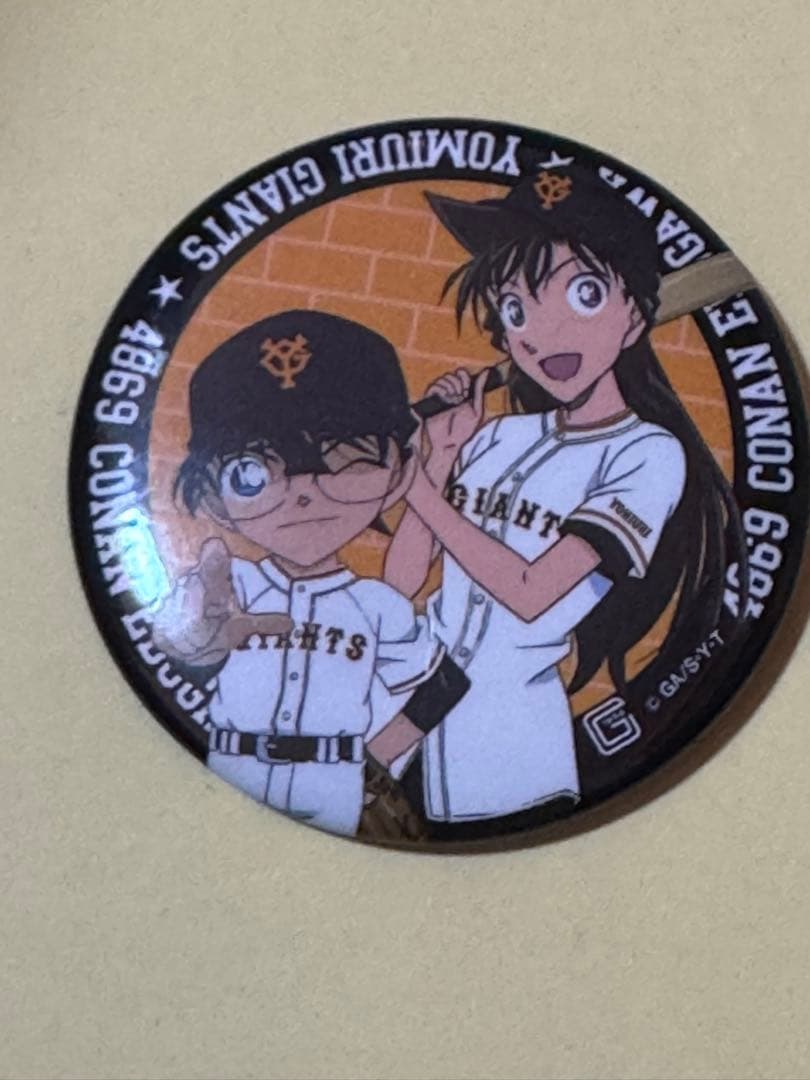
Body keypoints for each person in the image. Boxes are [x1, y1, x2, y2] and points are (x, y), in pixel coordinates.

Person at [384, 164, 746, 838]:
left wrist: (418, 490)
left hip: (509, 749)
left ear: (634, 315)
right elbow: (400, 584)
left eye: (583, 293)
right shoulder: (497, 435)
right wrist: (439, 455)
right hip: (404, 724)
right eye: (516, 309)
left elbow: (532, 594)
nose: (541, 334)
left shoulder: (647, 453)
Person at [153, 310, 460, 838]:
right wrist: (194, 641)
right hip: (223, 774)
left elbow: (442, 686)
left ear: (400, 473)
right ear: (213, 497)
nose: (302, 493)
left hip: (336, 782)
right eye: (251, 472)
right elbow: (171, 635)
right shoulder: (229, 587)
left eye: (344, 460)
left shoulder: (376, 605)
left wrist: (376, 761)